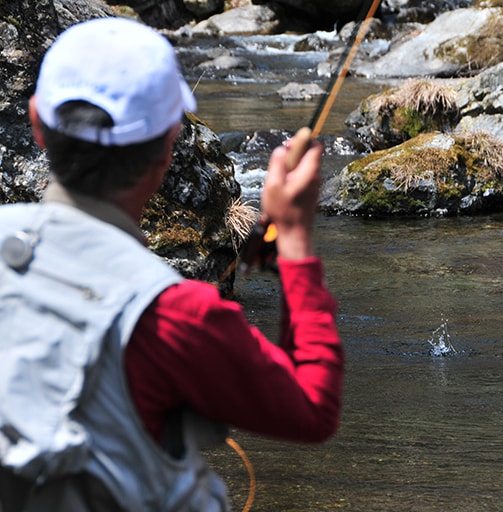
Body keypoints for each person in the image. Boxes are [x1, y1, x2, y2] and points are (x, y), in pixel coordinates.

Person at [0, 16, 343, 511]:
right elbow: (311, 408)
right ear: (168, 146)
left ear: (36, 124)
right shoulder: (179, 314)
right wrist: (292, 237)